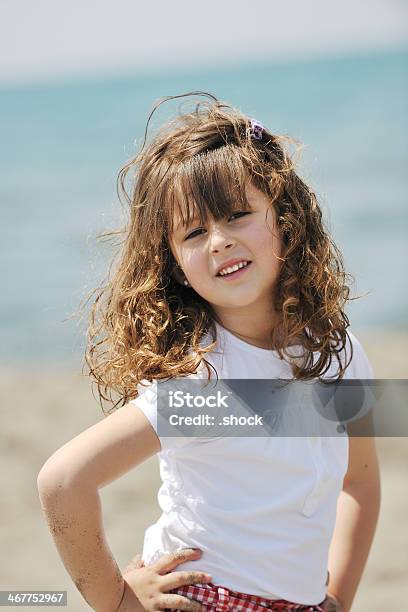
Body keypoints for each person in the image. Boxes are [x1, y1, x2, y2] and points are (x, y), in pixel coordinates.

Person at [37, 91, 381, 612]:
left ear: (285, 219)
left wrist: (338, 597)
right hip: (209, 598)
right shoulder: (206, 384)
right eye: (194, 232)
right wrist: (117, 600)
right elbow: (63, 481)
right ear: (176, 266)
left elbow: (360, 482)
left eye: (238, 215)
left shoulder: (337, 352)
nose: (218, 241)